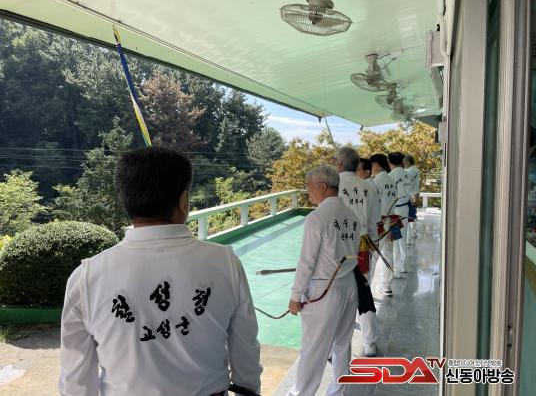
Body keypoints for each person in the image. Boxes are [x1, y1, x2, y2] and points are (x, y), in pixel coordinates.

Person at [59, 147, 262, 396]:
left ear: (126, 201)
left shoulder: (86, 277)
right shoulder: (225, 263)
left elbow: (76, 380)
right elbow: (245, 349)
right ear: (183, 200)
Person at [287, 165, 360, 396]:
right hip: (349, 285)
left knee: (313, 348)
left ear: (322, 186)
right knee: (342, 344)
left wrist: (295, 296)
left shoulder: (316, 218)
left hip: (324, 290)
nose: (308, 191)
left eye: (309, 186)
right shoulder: (352, 215)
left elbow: (306, 262)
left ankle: (302, 393)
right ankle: (338, 391)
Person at [333, 147, 377, 357]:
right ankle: (370, 343)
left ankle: (334, 345)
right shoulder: (368, 187)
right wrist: (373, 246)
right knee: (363, 291)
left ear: (340, 164)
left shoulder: (333, 186)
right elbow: (374, 221)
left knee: (336, 293)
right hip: (362, 243)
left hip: (338, 246)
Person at [369, 154, 398, 293]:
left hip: (380, 223)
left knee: (373, 257)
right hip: (391, 221)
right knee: (388, 254)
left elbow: (373, 204)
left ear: (376, 165)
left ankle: (367, 289)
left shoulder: (376, 182)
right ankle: (387, 286)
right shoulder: (392, 180)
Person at [388, 151, 412, 275]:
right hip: (405, 208)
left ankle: (397, 268)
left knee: (395, 238)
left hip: (394, 210)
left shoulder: (389, 176)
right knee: (403, 235)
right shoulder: (408, 174)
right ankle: (403, 264)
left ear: (390, 162)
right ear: (402, 162)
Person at [404, 155, 421, 241]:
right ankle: (413, 233)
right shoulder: (415, 169)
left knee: (410, 215)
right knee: (412, 214)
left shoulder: (410, 171)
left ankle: (410, 236)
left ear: (408, 162)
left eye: (404, 161)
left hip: (412, 194)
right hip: (415, 193)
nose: (403, 163)